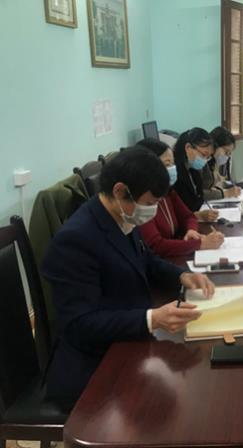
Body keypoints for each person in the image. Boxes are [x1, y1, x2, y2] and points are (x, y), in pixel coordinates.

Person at [42, 147, 215, 408]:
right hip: (94, 366)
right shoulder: (76, 239)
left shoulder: (119, 216)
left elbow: (145, 259)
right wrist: (151, 319)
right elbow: (80, 324)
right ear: (120, 191)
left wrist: (182, 276)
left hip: (126, 342)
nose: (153, 211)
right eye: (149, 203)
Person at [136, 138, 224, 257]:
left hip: (176, 254)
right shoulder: (142, 201)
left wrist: (191, 230)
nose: (173, 168)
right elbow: (156, 245)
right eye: (167, 164)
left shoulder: (169, 192)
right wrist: (200, 244)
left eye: (173, 163)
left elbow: (188, 216)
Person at [172, 127, 219, 221]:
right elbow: (177, 212)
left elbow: (199, 197)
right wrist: (198, 215)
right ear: (188, 148)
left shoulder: (193, 169)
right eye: (204, 155)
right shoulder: (175, 173)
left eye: (208, 157)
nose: (205, 160)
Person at [202, 126, 241, 199]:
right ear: (215, 145)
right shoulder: (202, 162)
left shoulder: (213, 162)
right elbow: (198, 193)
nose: (227, 157)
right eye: (226, 152)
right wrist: (225, 193)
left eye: (229, 153)